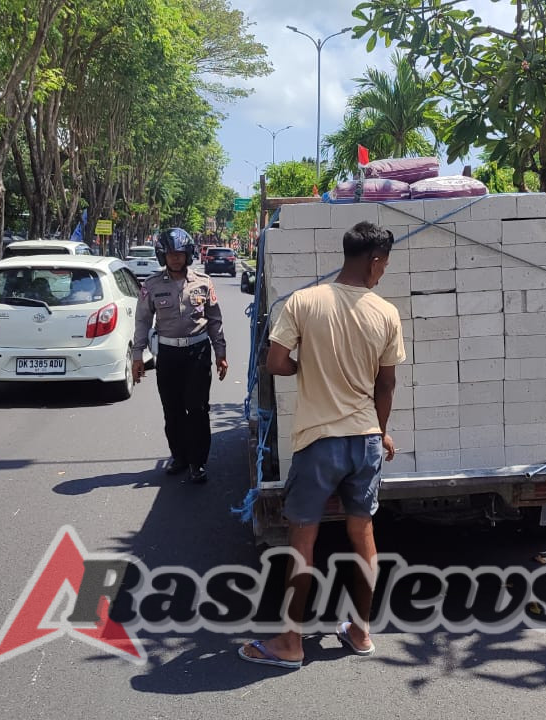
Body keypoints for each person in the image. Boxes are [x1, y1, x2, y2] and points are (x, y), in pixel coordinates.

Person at [238, 221, 405, 670]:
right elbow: (386, 385)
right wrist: (379, 428)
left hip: (318, 442)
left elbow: (275, 362)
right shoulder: (385, 312)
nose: (383, 273)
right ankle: (360, 630)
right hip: (366, 441)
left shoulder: (304, 301)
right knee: (362, 534)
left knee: (303, 542)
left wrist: (306, 365)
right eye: (384, 264)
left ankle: (291, 642)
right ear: (372, 260)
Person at [131, 227, 229, 484]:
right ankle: (180, 457)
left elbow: (215, 320)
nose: (176, 259)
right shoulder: (151, 286)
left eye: (180, 254)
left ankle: (198, 462)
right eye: (170, 254)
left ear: (188, 255)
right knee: (172, 410)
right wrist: (137, 356)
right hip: (168, 355)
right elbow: (142, 321)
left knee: (197, 409)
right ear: (163, 256)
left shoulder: (203, 282)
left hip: (197, 353)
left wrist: (220, 352)